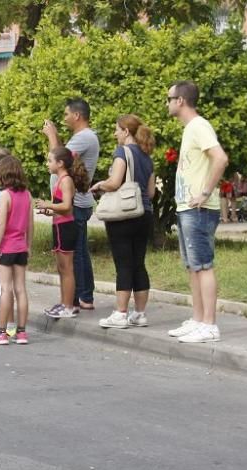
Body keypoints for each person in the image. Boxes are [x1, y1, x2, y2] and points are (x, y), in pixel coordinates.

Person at [165, 80, 229, 343]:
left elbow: (220, 157)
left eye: (169, 98)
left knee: (203, 265)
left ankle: (209, 325)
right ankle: (198, 319)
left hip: (199, 209)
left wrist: (204, 191)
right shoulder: (191, 128)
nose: (167, 103)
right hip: (187, 208)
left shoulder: (199, 126)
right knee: (193, 266)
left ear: (180, 101)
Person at [89, 114, 157, 329]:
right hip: (144, 212)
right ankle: (139, 313)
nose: (115, 133)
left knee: (123, 263)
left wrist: (100, 184)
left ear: (126, 131)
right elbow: (151, 192)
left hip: (123, 216)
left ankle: (120, 313)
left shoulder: (122, 152)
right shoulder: (147, 156)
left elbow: (115, 182)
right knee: (138, 263)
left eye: (117, 129)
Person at [43, 98, 100, 311]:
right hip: (75, 203)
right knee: (79, 251)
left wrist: (52, 136)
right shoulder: (83, 137)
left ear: (77, 115)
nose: (64, 118)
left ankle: (77, 298)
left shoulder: (84, 137)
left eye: (67, 114)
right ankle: (82, 296)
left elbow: (60, 159)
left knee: (73, 255)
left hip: (75, 204)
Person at [0, 155, 33, 345]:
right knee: (21, 289)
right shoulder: (27, 194)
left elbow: (1, 224)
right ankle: (21, 332)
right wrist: (28, 245)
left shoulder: (5, 195)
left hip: (6, 247)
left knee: (6, 289)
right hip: (21, 247)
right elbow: (30, 224)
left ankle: (1, 332)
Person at [37, 148, 90, 319]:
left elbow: (67, 206)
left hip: (67, 228)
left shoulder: (66, 180)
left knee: (67, 269)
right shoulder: (59, 180)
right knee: (61, 268)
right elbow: (61, 209)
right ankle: (63, 302)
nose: (48, 164)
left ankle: (69, 306)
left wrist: (49, 205)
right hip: (60, 226)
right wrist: (49, 210)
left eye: (50, 160)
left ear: (60, 163)